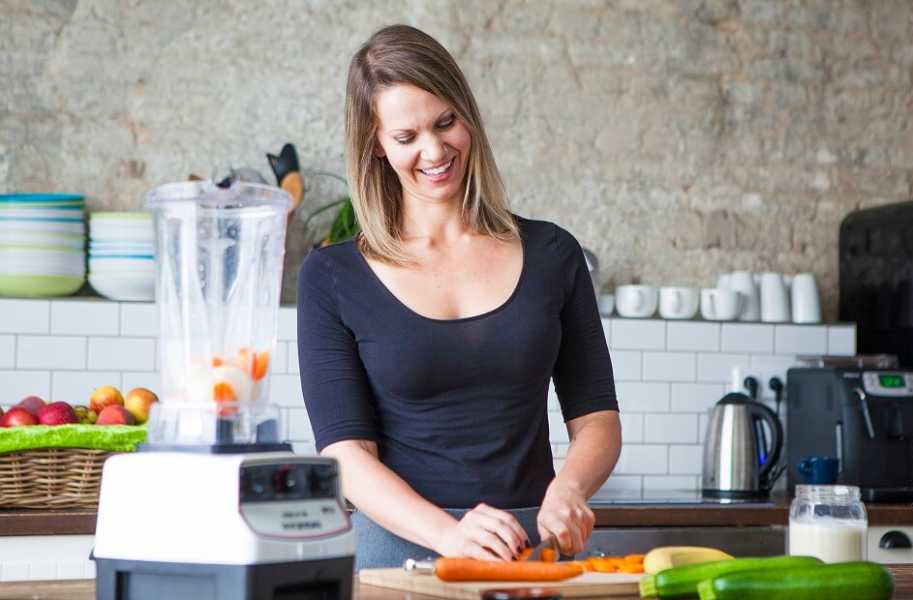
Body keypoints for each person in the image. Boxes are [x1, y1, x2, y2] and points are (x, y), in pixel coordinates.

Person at [297, 24, 621, 570]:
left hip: (530, 551)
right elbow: (347, 455)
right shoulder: (333, 275)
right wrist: (449, 535)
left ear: (467, 114)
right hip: (400, 557)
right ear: (376, 146)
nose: (434, 150)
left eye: (446, 122)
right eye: (406, 137)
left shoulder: (553, 253)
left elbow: (597, 419)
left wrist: (568, 488)